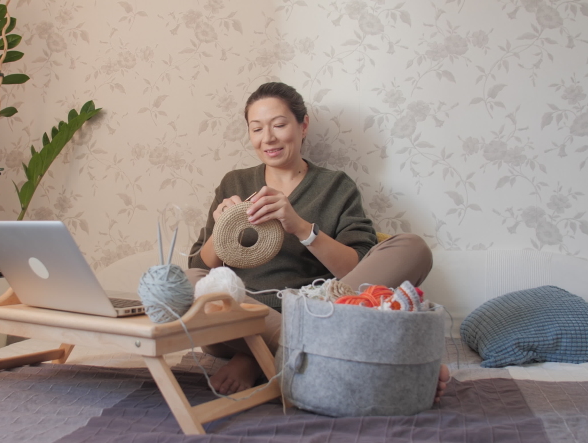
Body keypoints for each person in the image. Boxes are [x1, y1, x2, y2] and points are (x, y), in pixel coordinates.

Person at [187, 82, 449, 400]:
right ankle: (313, 350)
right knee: (188, 281)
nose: (267, 138)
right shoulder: (235, 182)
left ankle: (264, 356)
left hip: (319, 312)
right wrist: (221, 229)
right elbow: (200, 266)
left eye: (279, 125)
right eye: (256, 129)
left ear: (303, 125)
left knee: (413, 248)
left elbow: (359, 269)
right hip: (242, 318)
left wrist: (300, 227)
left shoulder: (335, 186)